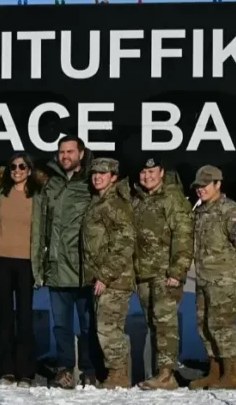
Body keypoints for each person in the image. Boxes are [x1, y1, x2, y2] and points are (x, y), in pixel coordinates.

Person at [0, 152, 47, 387]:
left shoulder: (39, 196)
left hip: (27, 262)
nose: (17, 170)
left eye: (22, 166)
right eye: (13, 167)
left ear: (29, 170)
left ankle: (26, 372)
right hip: (1, 260)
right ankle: (6, 370)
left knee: (25, 317)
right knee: (5, 317)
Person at [188, 165, 236, 390]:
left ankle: (232, 374)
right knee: (204, 325)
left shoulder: (230, 210)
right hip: (204, 278)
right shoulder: (200, 210)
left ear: (218, 184)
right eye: (198, 186)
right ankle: (215, 371)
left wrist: (229, 270)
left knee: (222, 326)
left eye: (205, 185)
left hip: (226, 280)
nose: (201, 189)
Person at [130, 157, 193, 390]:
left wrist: (177, 271)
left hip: (165, 273)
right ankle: (160, 372)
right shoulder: (138, 199)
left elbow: (184, 236)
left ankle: (167, 375)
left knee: (166, 325)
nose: (147, 176)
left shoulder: (173, 199)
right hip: (143, 274)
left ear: (162, 173)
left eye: (152, 172)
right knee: (154, 324)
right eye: (143, 172)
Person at [43, 135, 98, 388]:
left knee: (88, 325)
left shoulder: (90, 183)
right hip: (56, 268)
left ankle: (89, 368)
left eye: (70, 151)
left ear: (81, 153)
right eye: (61, 152)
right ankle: (64, 369)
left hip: (82, 269)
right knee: (61, 326)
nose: (65, 156)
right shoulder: (51, 183)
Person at [82, 158, 136, 389]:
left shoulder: (116, 205)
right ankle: (113, 372)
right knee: (105, 326)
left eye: (103, 174)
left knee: (109, 328)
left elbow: (124, 244)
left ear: (113, 177)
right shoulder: (98, 201)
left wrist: (105, 275)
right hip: (101, 278)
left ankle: (119, 374)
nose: (97, 177)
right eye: (94, 173)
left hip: (115, 280)